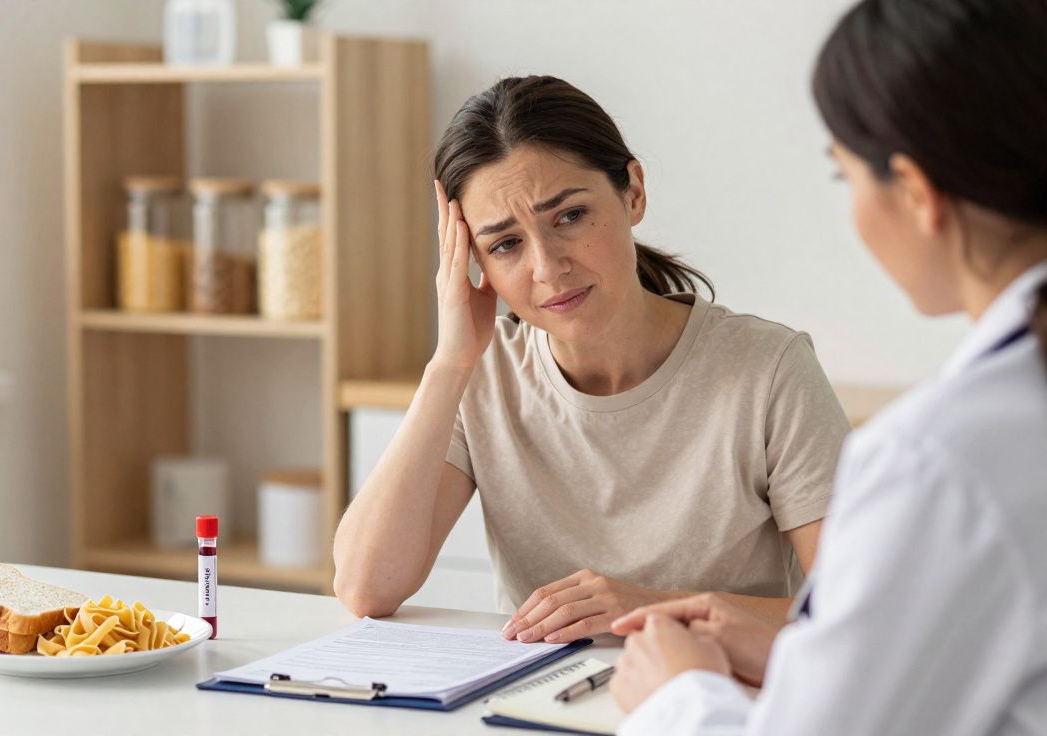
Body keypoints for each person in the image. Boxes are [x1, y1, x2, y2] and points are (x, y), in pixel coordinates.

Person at [607, 0, 1047, 733]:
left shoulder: (937, 459)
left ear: (914, 192)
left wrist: (675, 697)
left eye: (845, 177)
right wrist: (814, 651)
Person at [332, 75, 851, 641]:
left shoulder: (770, 370)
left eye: (570, 216)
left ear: (633, 192)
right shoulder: (483, 374)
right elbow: (365, 587)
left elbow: (856, 614)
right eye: (505, 244)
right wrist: (449, 362)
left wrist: (650, 609)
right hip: (535, 707)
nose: (548, 267)